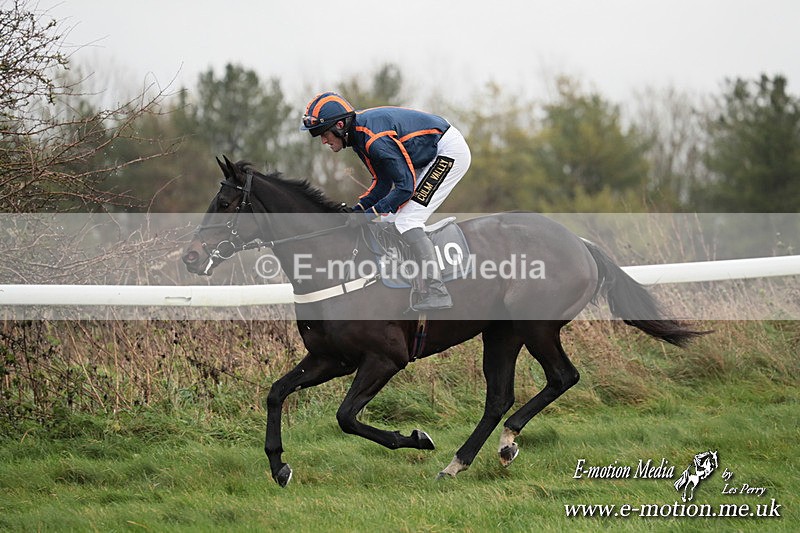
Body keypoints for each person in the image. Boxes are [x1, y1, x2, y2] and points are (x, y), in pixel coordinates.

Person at [301, 92, 471, 311]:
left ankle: (437, 290)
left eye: (323, 134)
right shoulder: (358, 137)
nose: (324, 141)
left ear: (340, 125)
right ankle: (409, 284)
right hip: (424, 156)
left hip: (447, 151)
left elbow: (405, 187)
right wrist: (359, 209)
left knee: (407, 221)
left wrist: (370, 214)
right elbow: (382, 183)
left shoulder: (374, 139)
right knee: (391, 219)